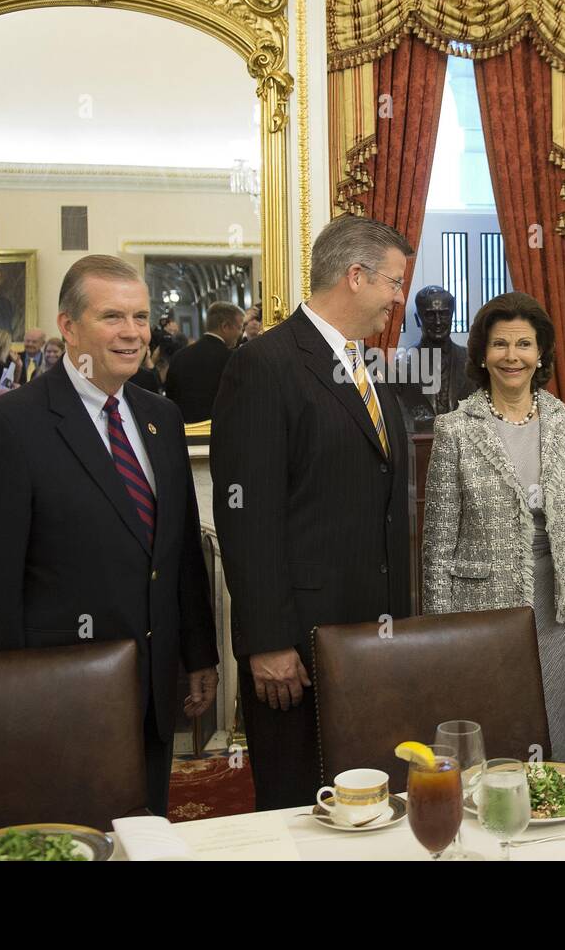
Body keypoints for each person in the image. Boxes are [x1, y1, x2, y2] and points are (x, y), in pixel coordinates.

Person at [0, 254, 219, 816]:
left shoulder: (160, 418)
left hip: (152, 694)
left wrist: (199, 654)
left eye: (141, 317)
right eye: (112, 317)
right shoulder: (8, 428)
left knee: (144, 835)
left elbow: (180, 552)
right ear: (69, 326)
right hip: (56, 701)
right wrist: (2, 706)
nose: (132, 333)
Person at [211, 214, 413, 810]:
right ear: (356, 276)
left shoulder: (368, 367)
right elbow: (247, 517)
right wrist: (268, 641)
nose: (398, 299)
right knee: (303, 805)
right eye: (394, 283)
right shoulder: (264, 364)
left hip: (370, 635)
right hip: (296, 643)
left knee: (372, 795)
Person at [422, 293, 565, 761]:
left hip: (556, 596)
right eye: (499, 344)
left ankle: (559, 804)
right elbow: (437, 543)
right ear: (481, 353)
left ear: (541, 354)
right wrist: (441, 629)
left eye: (524, 344)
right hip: (480, 601)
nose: (512, 356)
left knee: (558, 718)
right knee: (491, 719)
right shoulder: (455, 429)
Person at [392, 285, 476, 432]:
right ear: (418, 319)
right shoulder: (400, 365)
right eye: (430, 315)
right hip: (419, 446)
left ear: (451, 316)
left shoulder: (471, 361)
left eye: (444, 314)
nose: (438, 322)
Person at [164, 302, 244, 422]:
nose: (240, 333)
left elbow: (170, 399)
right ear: (225, 326)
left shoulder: (180, 356)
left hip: (184, 433)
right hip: (221, 434)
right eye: (239, 328)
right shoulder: (233, 359)